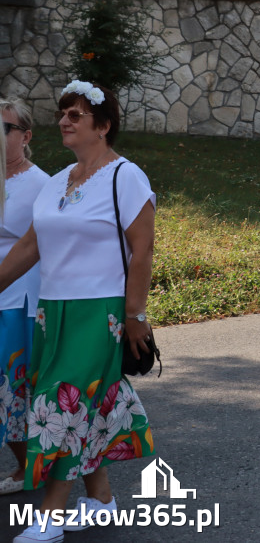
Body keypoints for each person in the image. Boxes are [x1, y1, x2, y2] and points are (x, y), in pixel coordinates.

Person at [0, 81, 155, 542]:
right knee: (83, 404)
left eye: (76, 115)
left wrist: (135, 315)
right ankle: (102, 499)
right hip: (53, 312)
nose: (64, 121)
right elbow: (31, 245)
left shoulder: (125, 176)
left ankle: (49, 514)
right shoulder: (56, 181)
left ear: (103, 126)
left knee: (58, 403)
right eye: (62, 113)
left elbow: (142, 251)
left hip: (100, 313)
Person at [0, 99, 48, 497]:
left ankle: (29, 464)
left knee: (9, 385)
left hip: (17, 299)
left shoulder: (41, 185)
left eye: (4, 129)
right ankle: (28, 461)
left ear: (25, 136)